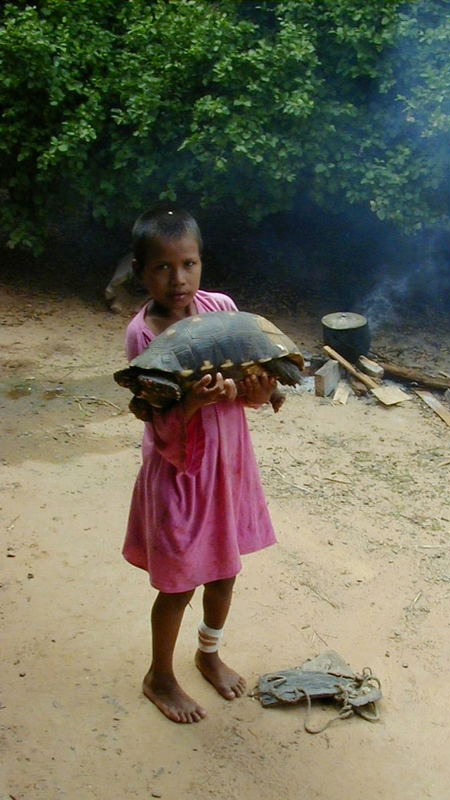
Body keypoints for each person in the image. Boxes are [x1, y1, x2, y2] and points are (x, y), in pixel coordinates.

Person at [122, 204, 278, 723]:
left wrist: (260, 389)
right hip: (178, 476)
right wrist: (193, 402)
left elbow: (252, 387)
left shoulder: (223, 309)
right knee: (179, 582)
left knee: (225, 572)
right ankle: (159, 676)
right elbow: (152, 413)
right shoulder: (143, 336)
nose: (178, 278)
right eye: (162, 267)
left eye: (188, 263)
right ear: (141, 272)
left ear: (201, 262)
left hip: (227, 468)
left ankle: (208, 653)